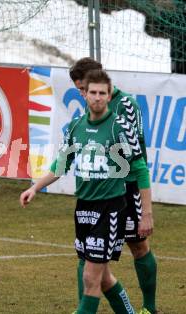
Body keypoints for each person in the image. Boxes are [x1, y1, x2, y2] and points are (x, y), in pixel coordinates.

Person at [20, 69, 153, 313]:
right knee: (103, 279)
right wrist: (35, 187)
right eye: (93, 92)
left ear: (109, 94)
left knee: (91, 280)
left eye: (103, 93)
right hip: (83, 207)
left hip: (110, 209)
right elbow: (62, 164)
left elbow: (140, 168)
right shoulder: (76, 127)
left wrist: (146, 214)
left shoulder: (120, 128)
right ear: (84, 94)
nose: (97, 97)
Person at [69, 58, 157, 314]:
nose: (83, 94)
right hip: (97, 192)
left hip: (126, 189)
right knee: (89, 255)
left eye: (82, 87)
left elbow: (136, 150)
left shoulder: (126, 104)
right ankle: (85, 305)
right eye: (82, 90)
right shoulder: (87, 111)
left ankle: (149, 308)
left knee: (138, 245)